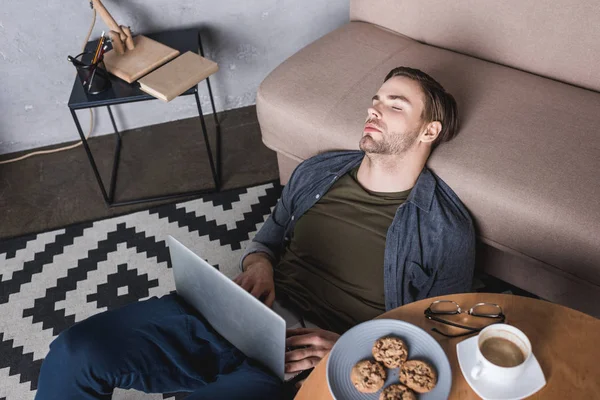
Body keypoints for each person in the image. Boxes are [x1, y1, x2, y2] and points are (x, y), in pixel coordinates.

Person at [35, 67, 475, 400]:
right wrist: (259, 265)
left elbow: (439, 334)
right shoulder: (318, 170)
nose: (373, 108)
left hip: (306, 357)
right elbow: (272, 233)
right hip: (239, 312)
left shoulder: (444, 228)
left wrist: (350, 347)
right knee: (77, 351)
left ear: (429, 130)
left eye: (395, 105)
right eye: (376, 99)